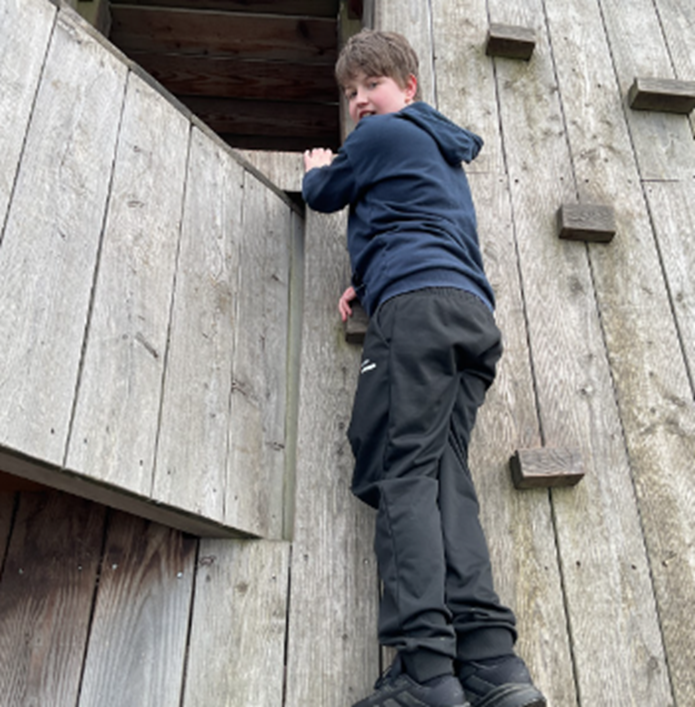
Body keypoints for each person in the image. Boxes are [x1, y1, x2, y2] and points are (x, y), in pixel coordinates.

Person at [302, 29, 546, 707]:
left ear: (408, 88)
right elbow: (412, 219)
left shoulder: (382, 135)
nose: (358, 102)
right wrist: (367, 273)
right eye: (349, 94)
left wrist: (316, 166)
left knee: (397, 471)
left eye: (370, 85)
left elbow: (326, 194)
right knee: (444, 477)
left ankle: (424, 672)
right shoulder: (440, 153)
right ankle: (494, 666)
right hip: (466, 315)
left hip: (415, 313)